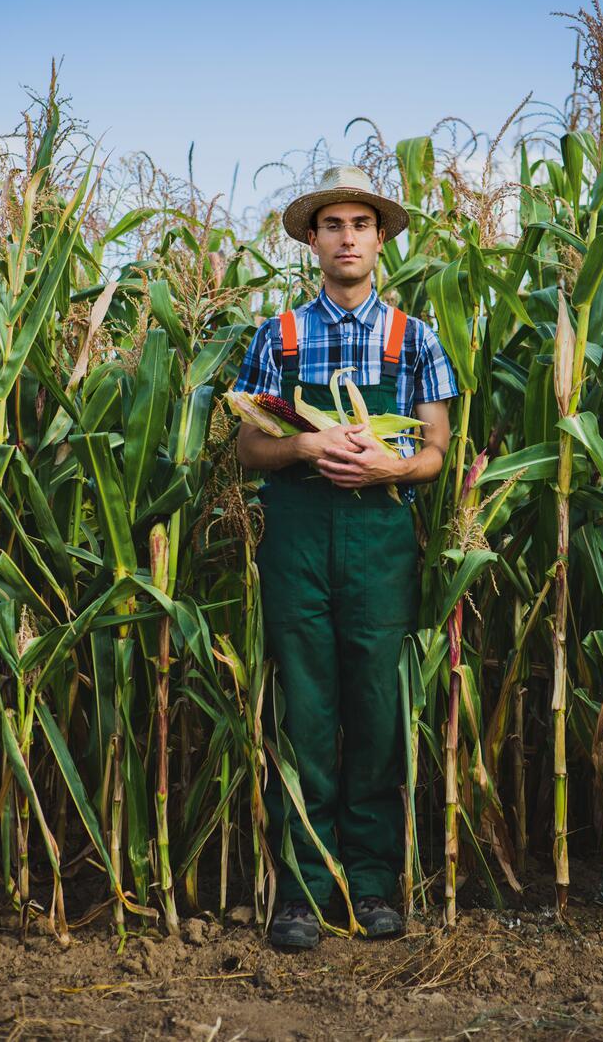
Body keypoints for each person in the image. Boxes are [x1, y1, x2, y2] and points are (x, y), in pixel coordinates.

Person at [233, 165, 458, 949]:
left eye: (361, 224)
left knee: (375, 711)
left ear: (380, 236)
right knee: (304, 708)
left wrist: (386, 467)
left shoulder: (414, 337)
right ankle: (300, 891)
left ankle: (372, 885)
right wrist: (304, 442)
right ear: (312, 240)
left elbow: (435, 450)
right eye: (332, 224)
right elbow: (245, 444)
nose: (348, 237)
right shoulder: (280, 335)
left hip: (380, 537)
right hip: (296, 534)